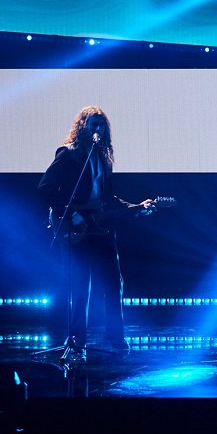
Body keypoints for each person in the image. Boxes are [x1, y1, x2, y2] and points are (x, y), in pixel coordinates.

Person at [38, 106, 154, 362]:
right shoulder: (68, 154)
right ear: (83, 126)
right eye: (93, 124)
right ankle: (77, 341)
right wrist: (71, 214)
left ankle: (116, 339)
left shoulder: (103, 159)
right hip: (75, 229)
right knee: (80, 287)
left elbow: (107, 199)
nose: (98, 129)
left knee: (113, 282)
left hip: (100, 230)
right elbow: (46, 187)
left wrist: (136, 208)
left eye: (101, 125)